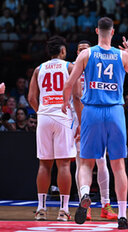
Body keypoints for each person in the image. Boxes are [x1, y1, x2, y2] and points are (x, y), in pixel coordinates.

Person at [62, 17, 128, 229]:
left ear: (97, 30)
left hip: (92, 111)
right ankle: (122, 216)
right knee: (118, 166)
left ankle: (86, 194)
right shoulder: (122, 55)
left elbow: (69, 84)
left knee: (86, 162)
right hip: (115, 111)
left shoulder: (86, 54)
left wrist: (63, 104)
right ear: (113, 32)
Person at [28, 35, 77, 222]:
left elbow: (32, 98)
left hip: (44, 117)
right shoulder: (69, 67)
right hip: (63, 117)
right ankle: (63, 210)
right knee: (64, 164)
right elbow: (78, 96)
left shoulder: (39, 69)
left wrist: (41, 112)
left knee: (44, 164)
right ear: (63, 51)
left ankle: (41, 208)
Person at [73, 40, 118, 221]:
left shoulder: (97, 70)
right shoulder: (73, 71)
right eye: (80, 49)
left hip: (95, 118)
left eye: (86, 49)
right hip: (77, 121)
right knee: (81, 163)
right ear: (76, 53)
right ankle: (84, 204)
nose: (83, 52)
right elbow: (73, 98)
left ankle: (105, 204)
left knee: (101, 161)